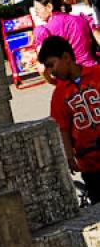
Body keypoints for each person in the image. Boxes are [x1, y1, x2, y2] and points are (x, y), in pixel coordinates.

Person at [38, 36, 100, 205]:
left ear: (66, 57)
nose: (51, 71)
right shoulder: (59, 95)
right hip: (90, 163)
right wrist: (69, 156)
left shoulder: (97, 74)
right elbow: (62, 128)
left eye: (52, 64)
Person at [32, 0, 97, 70]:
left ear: (49, 7)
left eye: (37, 10)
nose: (37, 14)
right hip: (94, 67)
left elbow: (44, 59)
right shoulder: (82, 18)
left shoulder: (45, 30)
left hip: (72, 73)